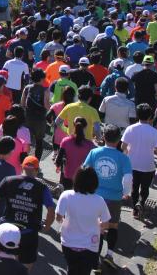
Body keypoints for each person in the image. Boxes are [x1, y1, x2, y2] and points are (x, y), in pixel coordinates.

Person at [0, 156, 55, 270]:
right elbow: (51, 210)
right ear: (37, 170)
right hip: (29, 233)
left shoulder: (9, 180)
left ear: (21, 167)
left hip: (8, 230)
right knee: (26, 266)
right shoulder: (41, 187)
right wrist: (46, 227)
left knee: (4, 264)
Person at [81, 125, 132, 269]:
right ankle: (109, 254)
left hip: (95, 196)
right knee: (113, 226)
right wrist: (126, 193)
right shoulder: (123, 158)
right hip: (114, 197)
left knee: (97, 227)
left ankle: (95, 256)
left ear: (103, 137)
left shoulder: (94, 152)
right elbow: (128, 178)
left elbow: (84, 171)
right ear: (119, 140)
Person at [55, 167, 111, 275]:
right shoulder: (99, 200)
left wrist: (64, 222)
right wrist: (99, 226)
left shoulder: (66, 195)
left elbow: (58, 217)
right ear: (95, 183)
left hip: (68, 242)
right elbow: (105, 224)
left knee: (72, 268)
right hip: (90, 245)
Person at [122, 103, 157, 218]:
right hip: (148, 166)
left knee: (134, 187)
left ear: (137, 115)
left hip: (132, 164)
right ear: (150, 117)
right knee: (145, 188)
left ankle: (135, 209)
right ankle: (141, 203)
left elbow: (123, 147)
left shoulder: (130, 129)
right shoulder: (154, 132)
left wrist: (127, 155)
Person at [56, 118, 96, 189]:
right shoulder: (90, 145)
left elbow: (59, 158)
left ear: (74, 126)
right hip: (82, 178)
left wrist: (58, 166)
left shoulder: (65, 141)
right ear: (86, 127)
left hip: (67, 175)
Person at [21, 69, 50, 159]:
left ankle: (24, 160)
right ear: (42, 79)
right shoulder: (45, 90)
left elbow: (22, 103)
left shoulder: (27, 88)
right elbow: (46, 105)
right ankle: (36, 162)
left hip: (28, 118)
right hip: (40, 119)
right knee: (39, 141)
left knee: (25, 140)